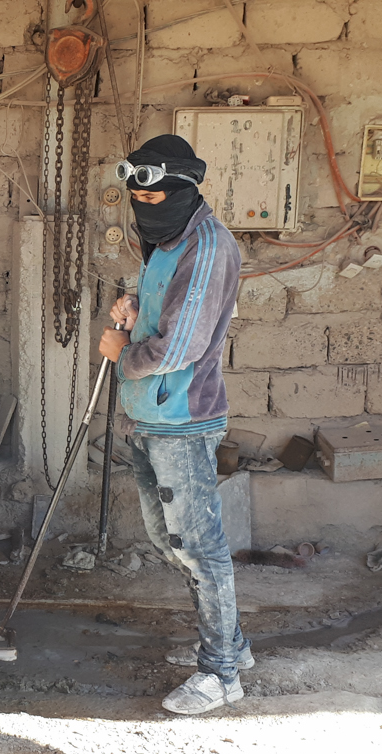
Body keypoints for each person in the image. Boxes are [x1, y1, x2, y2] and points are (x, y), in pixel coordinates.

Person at [97, 134, 249, 715]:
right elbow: (161, 301)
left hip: (183, 416)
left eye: (157, 197)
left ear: (183, 189)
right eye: (138, 198)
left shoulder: (208, 247)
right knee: (169, 541)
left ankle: (221, 674)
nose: (146, 209)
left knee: (199, 545)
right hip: (150, 413)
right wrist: (134, 307)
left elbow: (182, 345)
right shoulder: (166, 238)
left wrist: (122, 353)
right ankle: (231, 643)